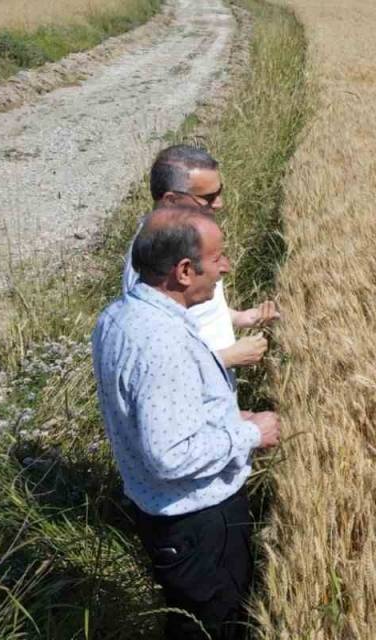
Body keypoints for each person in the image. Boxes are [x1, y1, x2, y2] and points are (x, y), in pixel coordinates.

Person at [92, 206, 281, 639]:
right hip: (197, 522)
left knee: (191, 618)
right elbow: (171, 456)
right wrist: (252, 433)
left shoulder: (118, 316)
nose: (225, 267)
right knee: (216, 625)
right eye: (218, 258)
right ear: (183, 270)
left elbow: (156, 413)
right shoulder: (163, 342)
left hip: (165, 517)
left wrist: (228, 417)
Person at [122, 145, 279, 368]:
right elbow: (155, 363)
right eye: (208, 197)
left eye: (220, 192)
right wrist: (227, 359)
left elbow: (194, 311)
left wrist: (238, 317)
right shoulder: (150, 262)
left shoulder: (188, 240)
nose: (219, 203)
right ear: (171, 201)